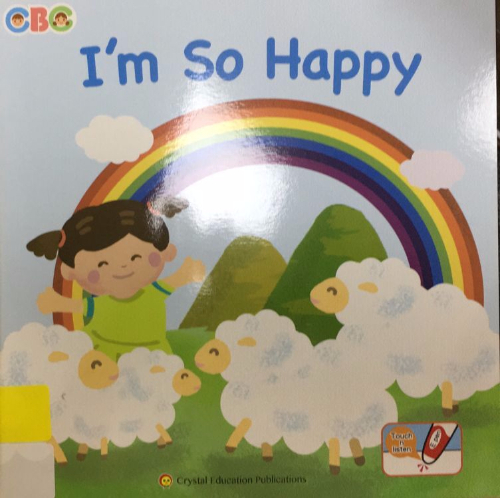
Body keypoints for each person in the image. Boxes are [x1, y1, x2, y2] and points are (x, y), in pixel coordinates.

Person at [28, 198, 205, 359]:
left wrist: (186, 274)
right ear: (70, 272)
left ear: (167, 253)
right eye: (102, 264)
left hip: (150, 352)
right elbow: (79, 306)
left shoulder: (153, 293)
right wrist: (59, 303)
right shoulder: (102, 303)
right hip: (102, 355)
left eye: (136, 257)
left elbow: (174, 281)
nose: (123, 266)